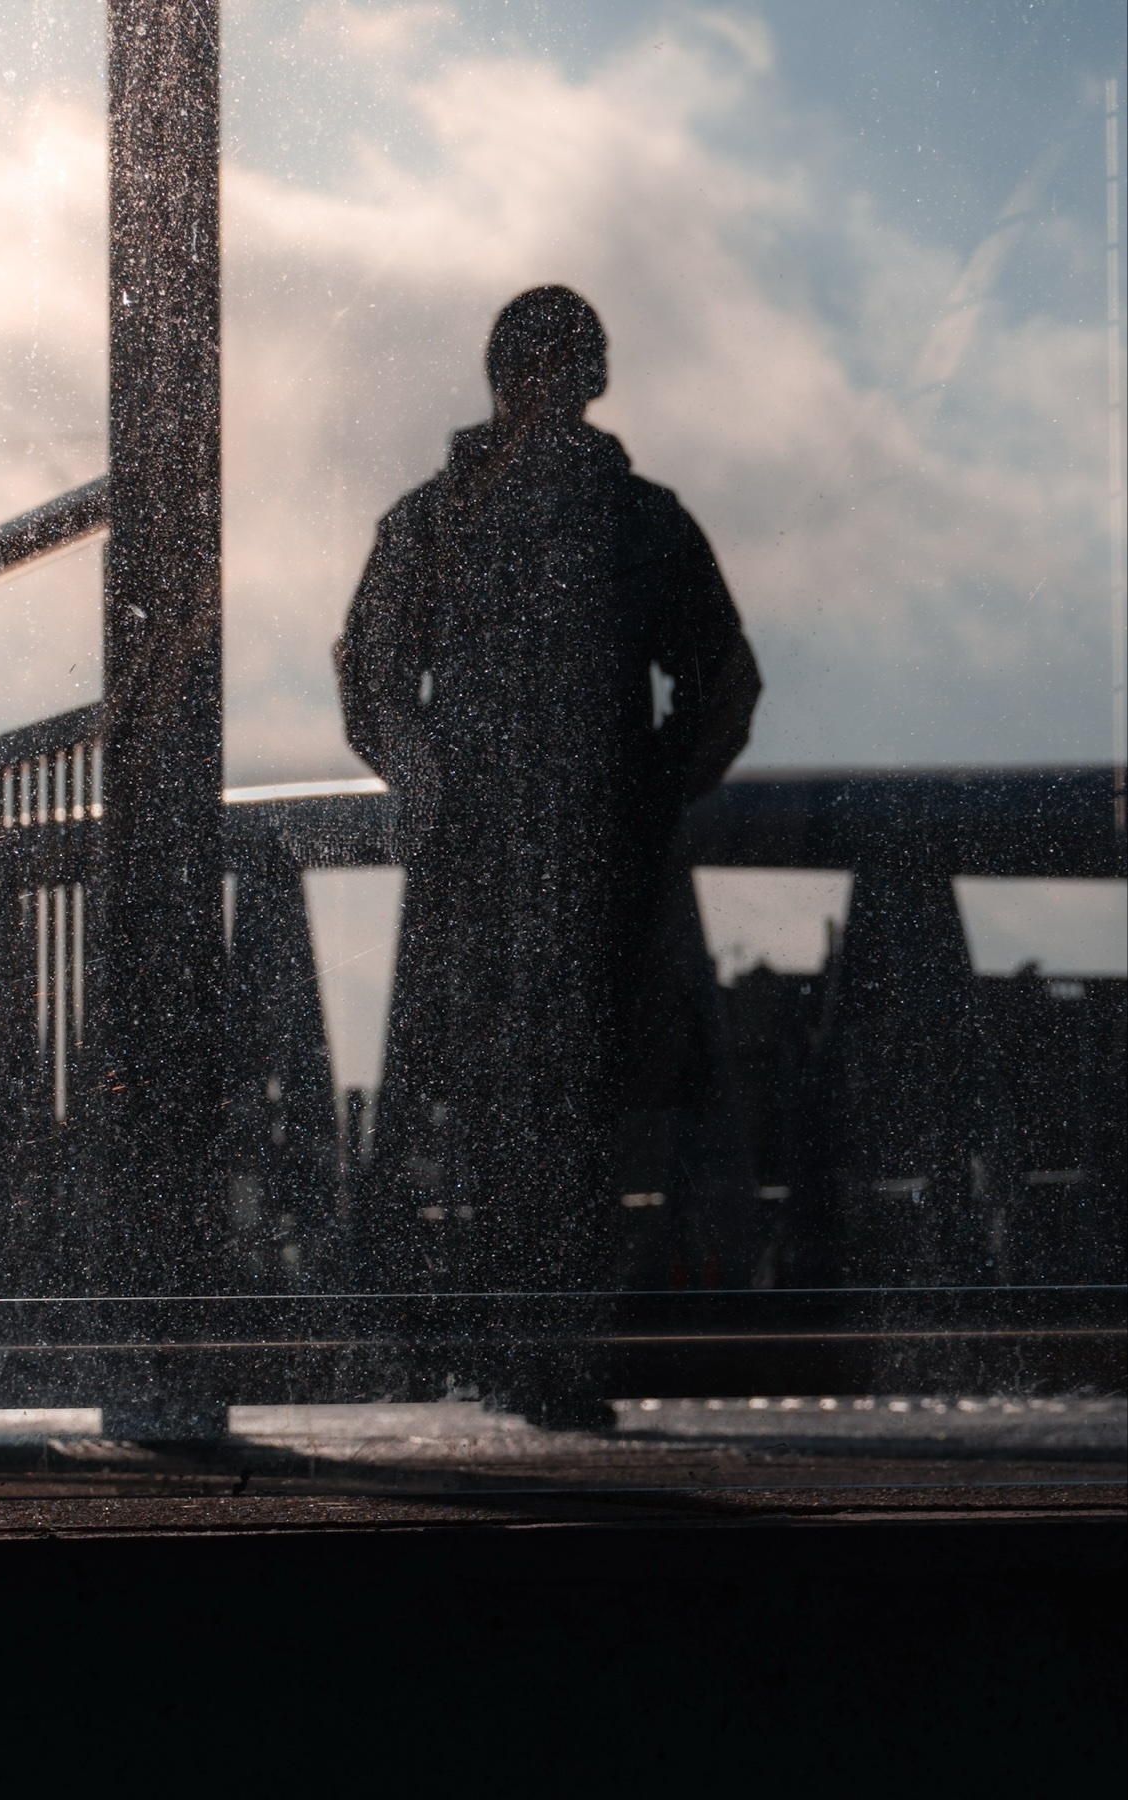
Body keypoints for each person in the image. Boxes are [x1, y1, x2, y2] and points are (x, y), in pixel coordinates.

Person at [335, 287, 760, 1336]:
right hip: (586, 854)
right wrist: (653, 788)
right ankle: (549, 1347)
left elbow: (372, 681)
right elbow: (723, 683)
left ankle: (517, 1346)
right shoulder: (637, 518)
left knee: (504, 1107)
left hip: (494, 861)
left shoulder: (439, 518)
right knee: (573, 1109)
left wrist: (433, 782)